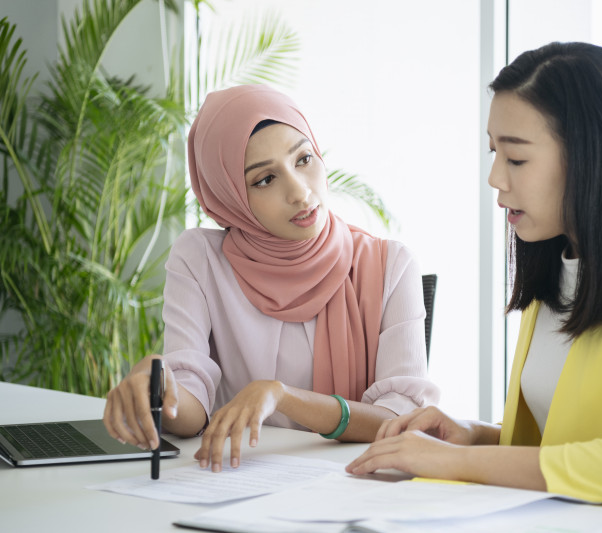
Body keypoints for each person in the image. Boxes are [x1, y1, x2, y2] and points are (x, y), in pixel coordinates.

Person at [346, 41, 602, 507]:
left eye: (516, 158)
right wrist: (473, 437)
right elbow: (569, 448)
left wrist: (455, 464)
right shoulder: (556, 253)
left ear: (594, 157)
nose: (495, 177)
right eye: (494, 153)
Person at [103, 84, 439, 472]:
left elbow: (403, 421)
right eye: (265, 179)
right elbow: (191, 409)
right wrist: (160, 386)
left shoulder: (390, 265)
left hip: (350, 481)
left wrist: (282, 397)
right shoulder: (200, 259)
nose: (299, 192)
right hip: (236, 479)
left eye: (303, 159)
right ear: (229, 197)